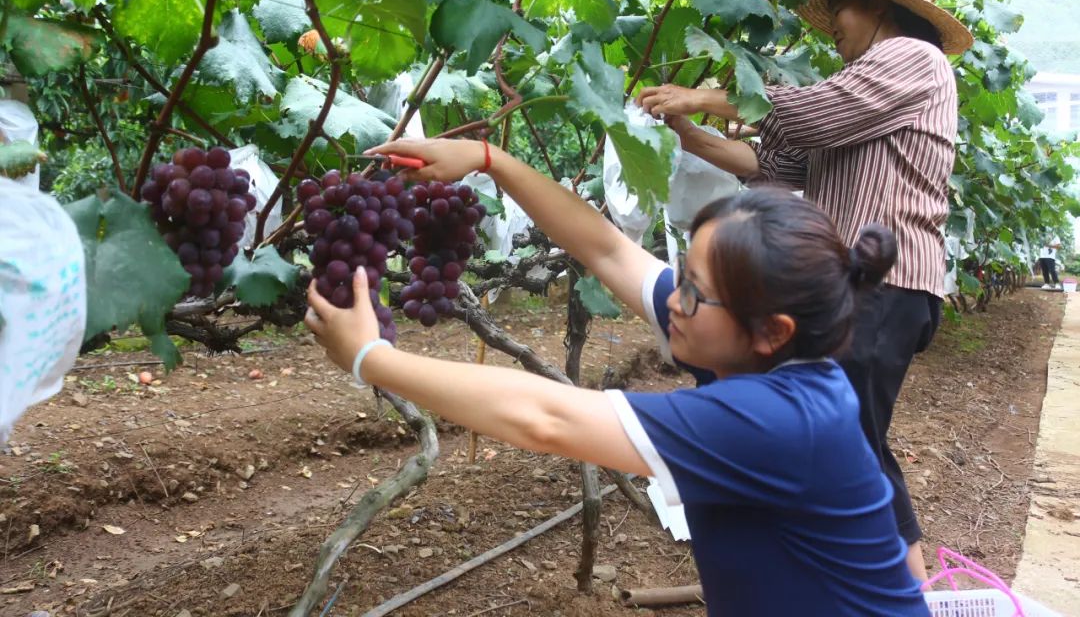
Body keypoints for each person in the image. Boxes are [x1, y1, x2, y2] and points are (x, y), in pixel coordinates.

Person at [304, 138, 932, 616]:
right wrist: (489, 158)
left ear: (774, 329)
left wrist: (372, 359)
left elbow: (546, 419)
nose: (673, 300)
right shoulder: (752, 349)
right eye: (681, 276)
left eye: (694, 292)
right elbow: (606, 249)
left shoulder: (778, 421)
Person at [634, 0, 973, 580]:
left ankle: (905, 591)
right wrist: (686, 131)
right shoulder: (860, 95)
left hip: (887, 282)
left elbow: (809, 116)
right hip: (858, 287)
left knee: (856, 441)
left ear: (877, 3)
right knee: (850, 435)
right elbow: (776, 169)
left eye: (839, 8)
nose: (833, 25)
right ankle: (890, 583)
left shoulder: (913, 58)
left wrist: (704, 93)